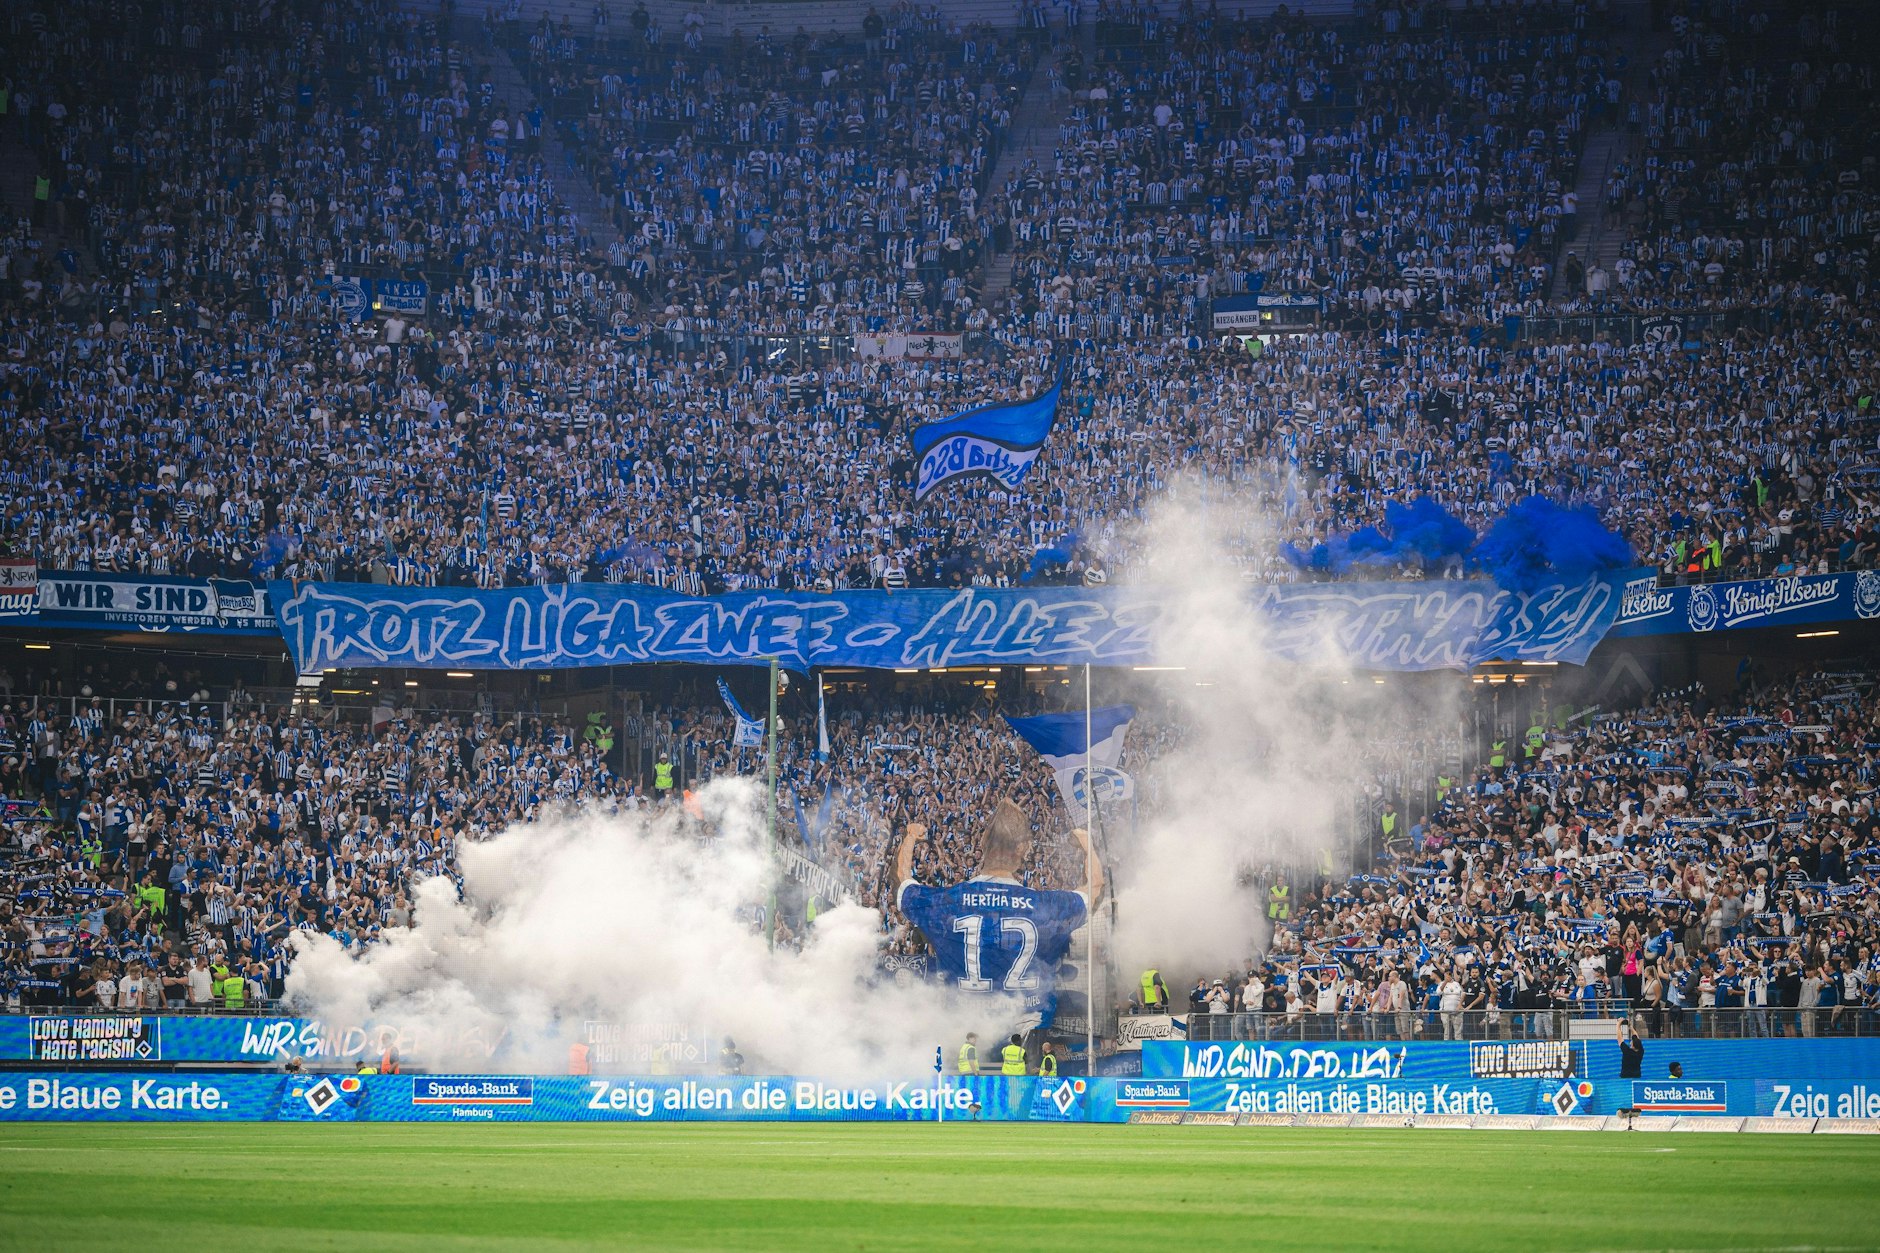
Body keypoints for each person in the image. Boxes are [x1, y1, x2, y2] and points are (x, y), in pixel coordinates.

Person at [893, 799, 1103, 1030]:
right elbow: (1095, 887)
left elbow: (902, 882)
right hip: (1028, 1032)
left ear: (982, 842)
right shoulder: (1046, 905)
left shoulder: (947, 901)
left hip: (961, 1030)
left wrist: (911, 836)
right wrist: (1086, 843)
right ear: (1023, 848)